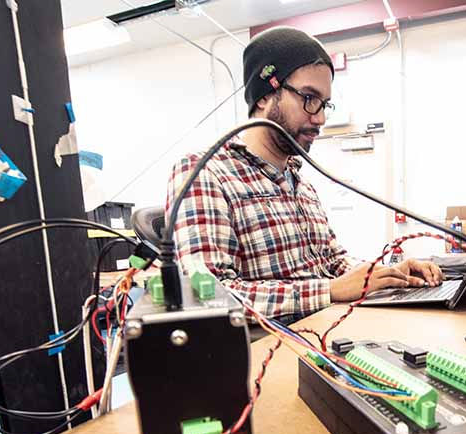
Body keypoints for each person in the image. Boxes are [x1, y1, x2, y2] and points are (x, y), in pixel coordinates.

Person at [167, 26, 442, 321]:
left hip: (325, 327)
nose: (320, 118)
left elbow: (333, 261)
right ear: (264, 96)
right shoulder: (205, 172)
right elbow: (211, 296)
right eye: (309, 98)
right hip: (270, 346)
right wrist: (329, 291)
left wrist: (389, 273)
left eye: (324, 104)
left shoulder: (300, 182)